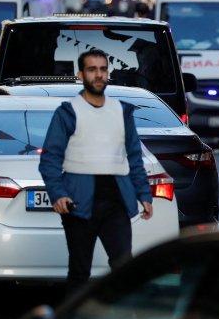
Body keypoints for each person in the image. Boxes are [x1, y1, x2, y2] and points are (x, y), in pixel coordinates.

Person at [39, 48, 153, 293]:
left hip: (117, 203)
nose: (99, 75)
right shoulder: (68, 112)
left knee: (124, 267)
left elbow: (134, 156)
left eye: (103, 69)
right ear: (81, 74)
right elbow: (50, 158)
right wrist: (58, 193)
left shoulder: (122, 111)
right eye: (92, 69)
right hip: (79, 204)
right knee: (80, 271)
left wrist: (144, 194)